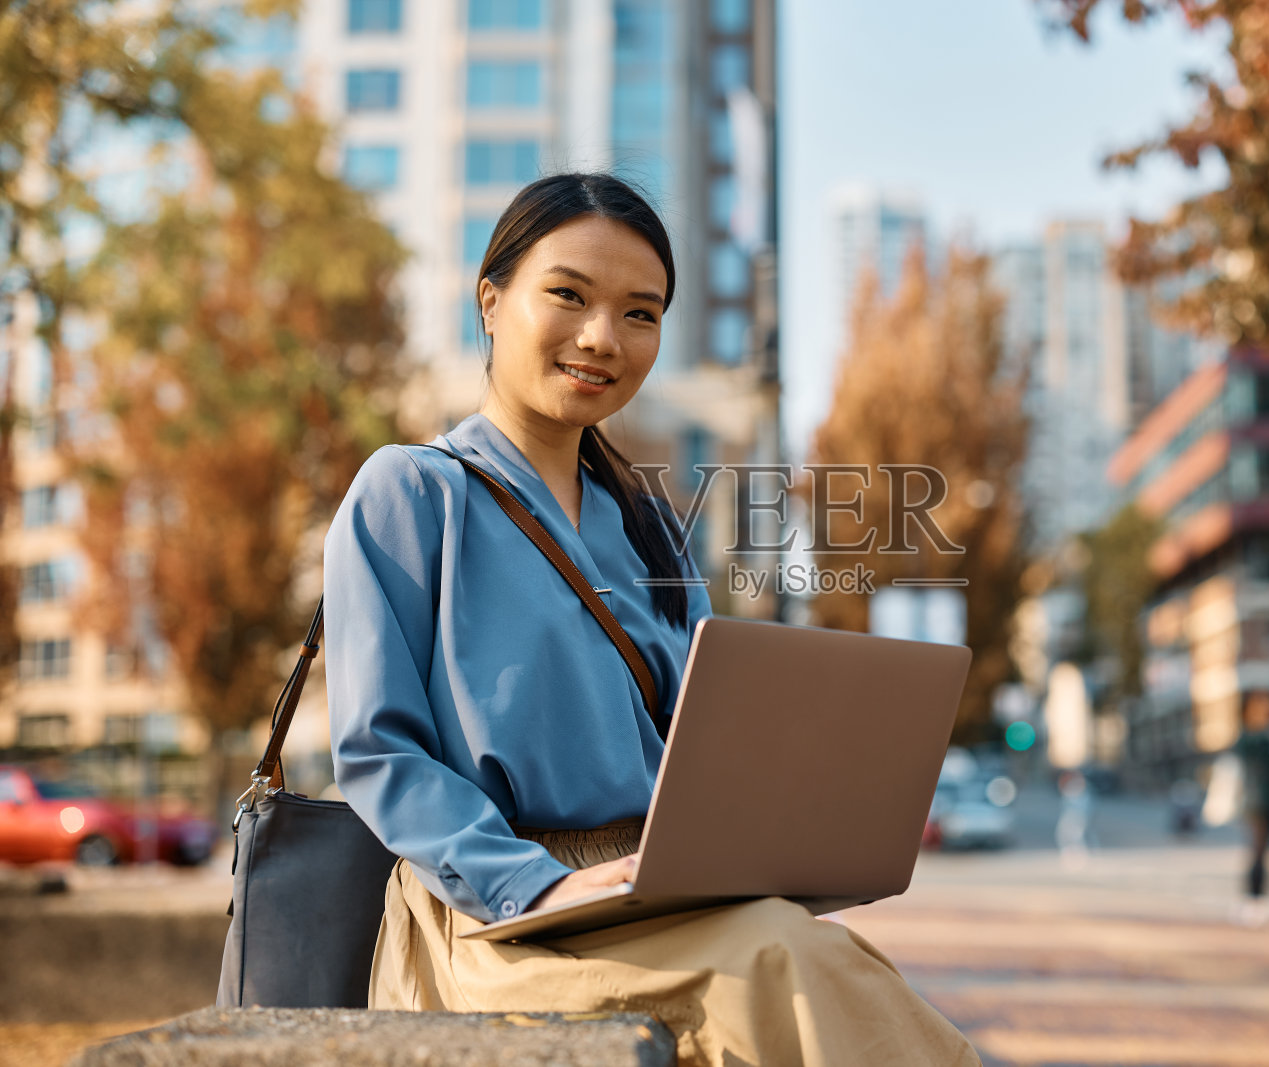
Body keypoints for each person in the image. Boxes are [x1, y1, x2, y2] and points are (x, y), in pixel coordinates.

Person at [323, 173, 981, 1066]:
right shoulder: (411, 491)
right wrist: (535, 884)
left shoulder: (649, 522)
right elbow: (378, 754)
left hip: (655, 894)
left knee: (811, 949)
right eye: (568, 294)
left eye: (641, 313)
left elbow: (701, 737)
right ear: (491, 299)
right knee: (782, 962)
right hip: (498, 919)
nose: (604, 337)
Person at [1233, 689, 1269, 925]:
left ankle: (1260, 898)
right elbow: (1250, 760)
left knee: (1265, 854)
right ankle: (1252, 899)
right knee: (1257, 853)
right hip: (1257, 803)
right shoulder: (1252, 739)